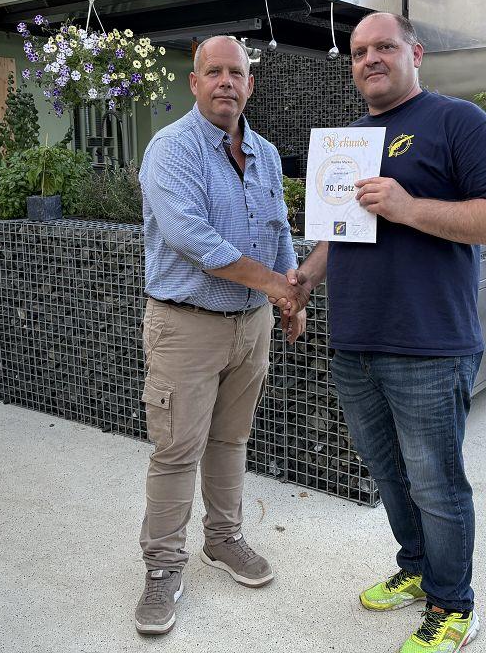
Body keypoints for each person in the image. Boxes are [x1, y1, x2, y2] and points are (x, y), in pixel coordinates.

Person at [290, 12, 486, 652]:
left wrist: (407, 207)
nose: (370, 58)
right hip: (355, 341)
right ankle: (419, 569)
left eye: (384, 46)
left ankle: (453, 605)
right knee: (389, 476)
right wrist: (306, 279)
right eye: (358, 51)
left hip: (429, 345)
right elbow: (341, 229)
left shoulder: (457, 122)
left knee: (436, 484)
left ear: (414, 53)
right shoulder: (351, 140)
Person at [134, 35, 308, 635]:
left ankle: (223, 539)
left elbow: (278, 229)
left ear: (250, 84)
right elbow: (195, 240)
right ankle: (162, 567)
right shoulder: (171, 150)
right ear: (195, 82)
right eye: (214, 72)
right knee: (177, 449)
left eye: (236, 72)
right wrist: (278, 286)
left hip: (251, 325)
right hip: (187, 326)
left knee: (231, 439)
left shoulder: (265, 152)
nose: (226, 82)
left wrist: (290, 296)